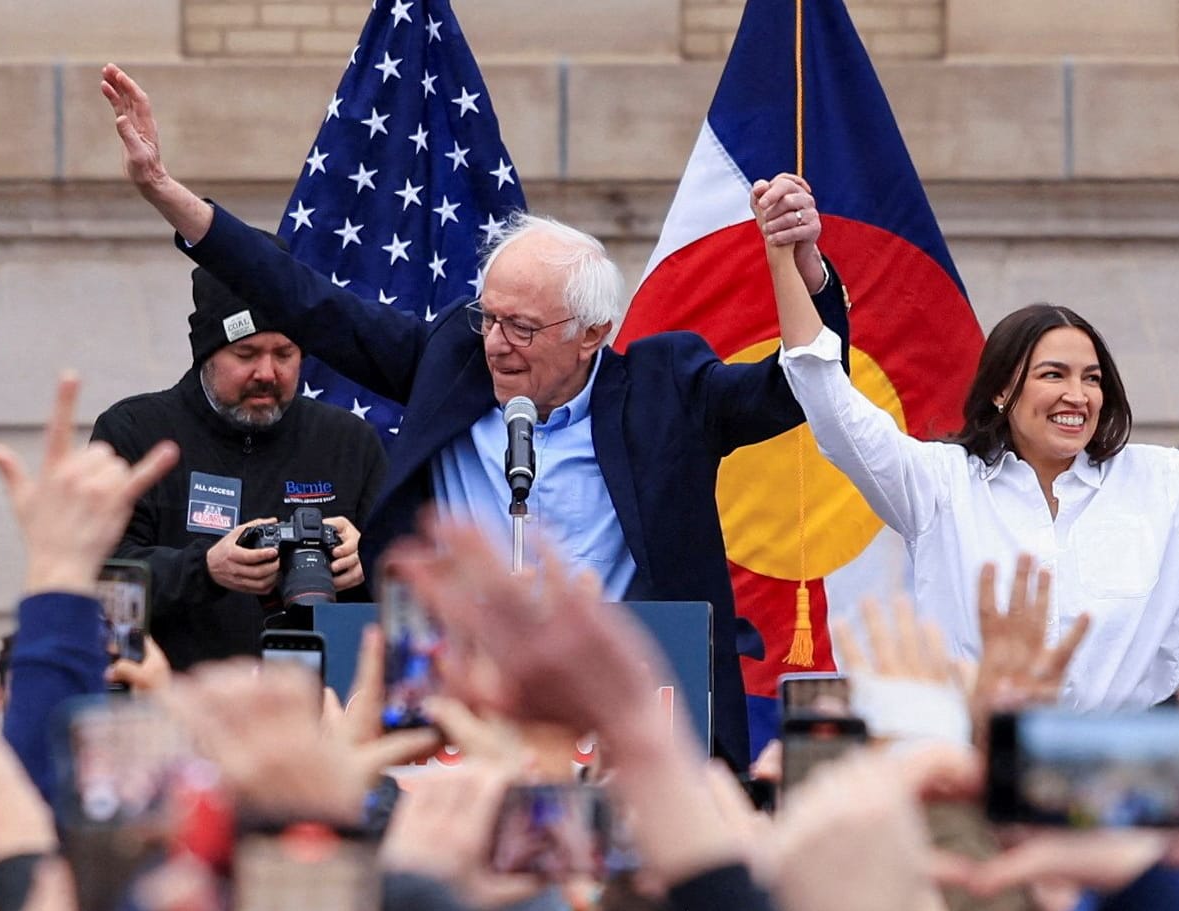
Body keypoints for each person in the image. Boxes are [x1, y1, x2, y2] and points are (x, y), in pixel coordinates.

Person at [100, 64, 851, 769]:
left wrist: (805, 268)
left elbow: (798, 389)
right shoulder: (449, 365)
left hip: (627, 705)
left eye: (522, 328)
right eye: (490, 320)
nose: (497, 345)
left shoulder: (666, 392)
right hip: (457, 706)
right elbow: (305, 299)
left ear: (591, 333)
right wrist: (166, 191)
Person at [753, 179, 1179, 710]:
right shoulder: (937, 484)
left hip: (1134, 766)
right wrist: (790, 259)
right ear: (1001, 389)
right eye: (1052, 375)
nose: (1077, 395)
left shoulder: (1163, 486)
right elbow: (829, 401)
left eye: (1091, 378)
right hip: (971, 757)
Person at [90, 247, 386, 670]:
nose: (267, 372)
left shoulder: (349, 443)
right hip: (172, 709)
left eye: (284, 353)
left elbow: (413, 590)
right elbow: (98, 577)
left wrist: (369, 559)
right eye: (246, 354)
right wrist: (206, 568)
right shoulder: (135, 432)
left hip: (313, 717)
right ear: (206, 354)